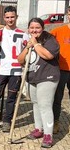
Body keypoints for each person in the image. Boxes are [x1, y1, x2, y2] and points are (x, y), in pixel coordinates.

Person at [18, 18, 60, 149]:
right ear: (28, 28)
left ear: (42, 28)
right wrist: (27, 48)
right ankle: (38, 129)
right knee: (35, 103)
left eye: (37, 28)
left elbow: (48, 56)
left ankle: (48, 135)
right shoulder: (29, 41)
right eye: (32, 28)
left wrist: (36, 44)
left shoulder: (50, 40)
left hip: (48, 76)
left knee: (45, 105)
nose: (34, 30)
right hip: (33, 77)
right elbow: (20, 60)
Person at [51, 7, 70, 134]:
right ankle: (55, 121)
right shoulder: (58, 31)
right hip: (61, 70)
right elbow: (44, 40)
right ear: (68, 14)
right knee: (57, 97)